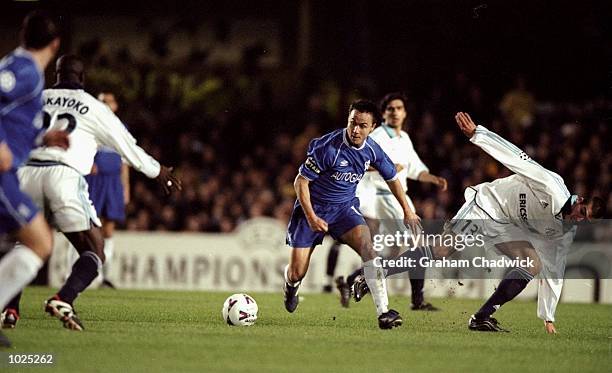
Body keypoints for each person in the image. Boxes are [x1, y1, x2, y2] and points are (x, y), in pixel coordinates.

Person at [351, 112, 604, 333]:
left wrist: (548, 316)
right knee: (441, 250)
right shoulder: (552, 186)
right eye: (583, 211)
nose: (580, 218)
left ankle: (482, 317)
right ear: (579, 199)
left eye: (586, 219)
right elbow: (514, 156)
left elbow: (555, 266)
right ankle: (374, 272)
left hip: (504, 223)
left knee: (533, 263)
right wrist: (478, 135)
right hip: (486, 205)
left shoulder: (564, 230)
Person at [2, 54, 181, 332]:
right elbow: (126, 145)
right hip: (63, 174)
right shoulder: (92, 106)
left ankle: (9, 310)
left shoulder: (36, 98)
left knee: (24, 245)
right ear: (82, 78)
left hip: (25, 174)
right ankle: (64, 299)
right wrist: (158, 172)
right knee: (95, 249)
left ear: (55, 75)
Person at [283, 99, 421, 329]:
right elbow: (300, 182)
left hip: (344, 210)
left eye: (362, 126)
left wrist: (407, 210)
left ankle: (384, 313)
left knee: (369, 248)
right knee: (297, 272)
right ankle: (291, 287)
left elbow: (392, 179)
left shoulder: (372, 150)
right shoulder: (328, 147)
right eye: (352, 123)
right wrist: (310, 216)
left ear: (373, 127)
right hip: (311, 209)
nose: (356, 130)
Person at [335, 92, 447, 310]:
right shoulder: (377, 136)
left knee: (395, 253)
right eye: (390, 109)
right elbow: (357, 160)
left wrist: (432, 178)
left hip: (398, 196)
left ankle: (353, 279)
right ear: (384, 114)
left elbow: (413, 168)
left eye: (399, 108)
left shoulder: (404, 138)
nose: (395, 112)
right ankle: (417, 300)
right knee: (420, 247)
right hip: (385, 197)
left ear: (405, 113)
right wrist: (382, 167)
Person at [0, 11, 63, 347]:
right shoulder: (23, 70)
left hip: (9, 172)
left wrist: (42, 137)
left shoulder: (23, 67)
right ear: (56, 44)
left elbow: (15, 121)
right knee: (40, 242)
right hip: (2, 175)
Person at [83, 91, 129, 288]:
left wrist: (126, 187)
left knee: (109, 229)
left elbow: (126, 161)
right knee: (87, 226)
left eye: (109, 101)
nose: (106, 104)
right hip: (94, 181)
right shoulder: (91, 125)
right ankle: (74, 272)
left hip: (113, 183)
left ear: (116, 105)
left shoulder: (121, 129)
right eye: (102, 101)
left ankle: (101, 276)